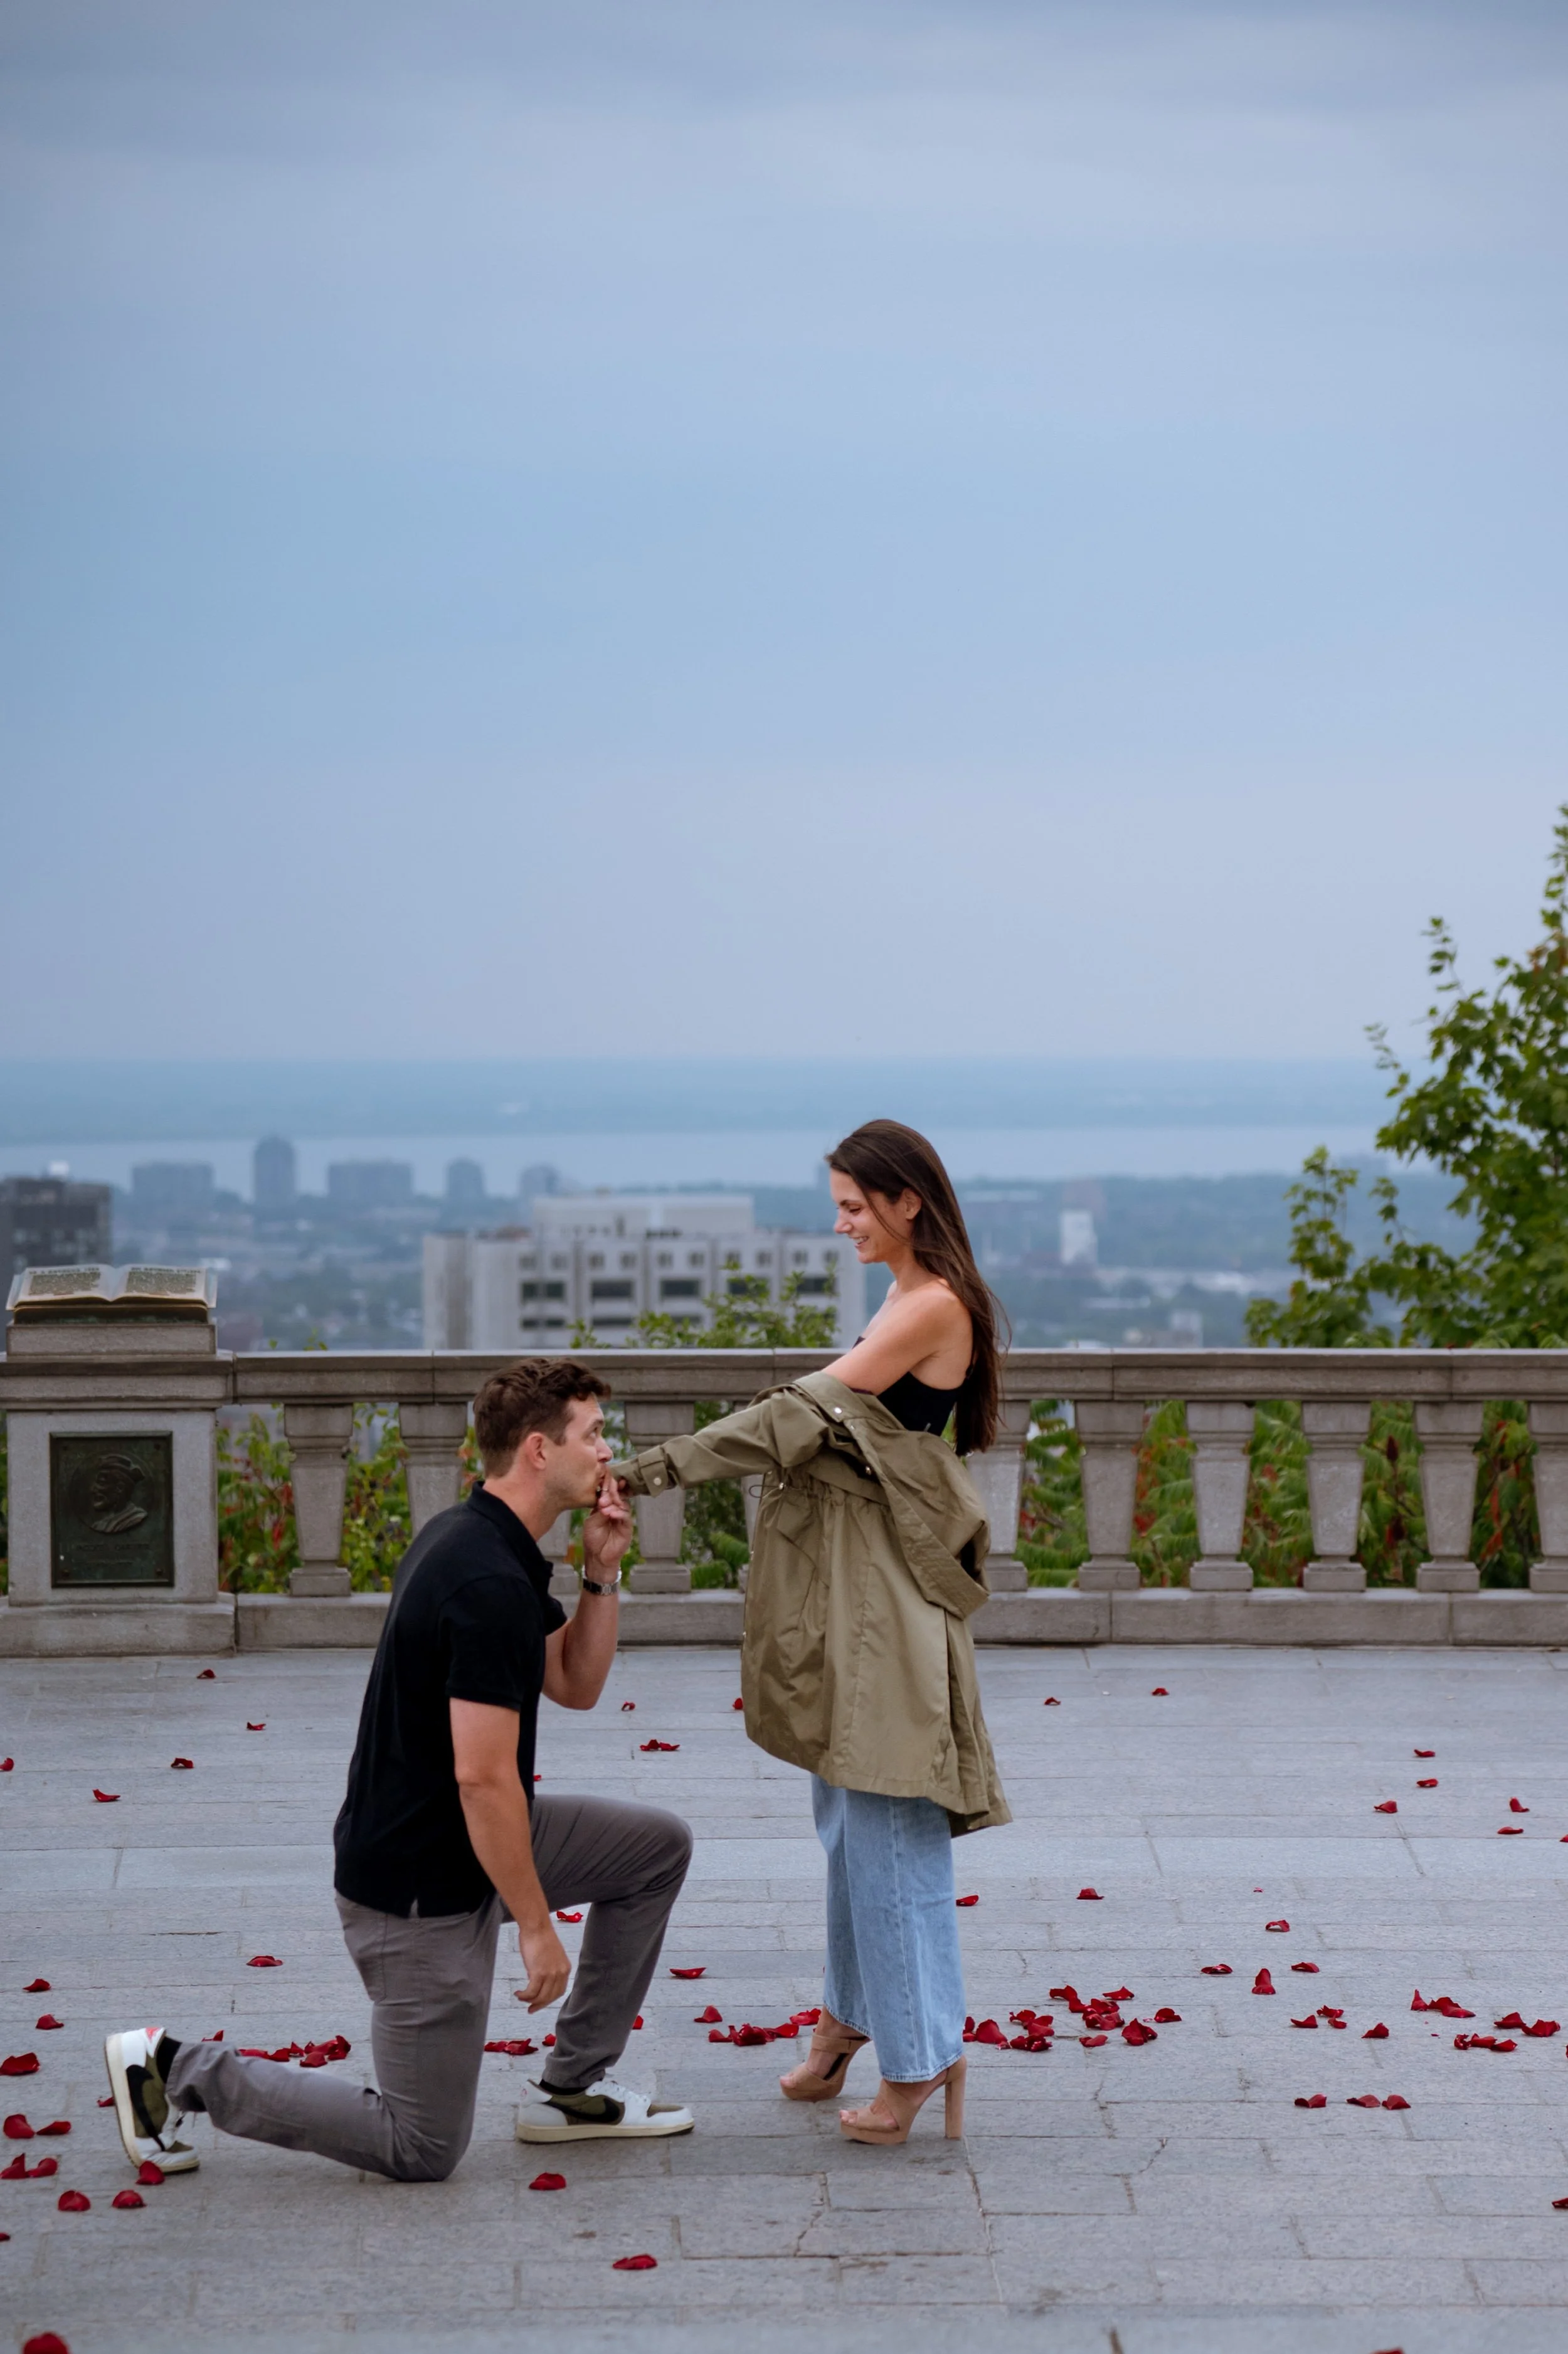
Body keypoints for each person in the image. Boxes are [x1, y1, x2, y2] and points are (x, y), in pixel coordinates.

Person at [104, 1359, 696, 2185]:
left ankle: (571, 2090)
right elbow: (482, 1779)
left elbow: (574, 1683)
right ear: (537, 1449)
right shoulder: (484, 1578)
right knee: (421, 2146)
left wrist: (600, 1572)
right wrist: (534, 1923)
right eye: (593, 1434)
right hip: (417, 1887)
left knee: (654, 1848)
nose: (608, 1452)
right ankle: (171, 2070)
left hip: (470, 1843)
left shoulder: (484, 1536)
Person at [615, 1118, 1009, 2148]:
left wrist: (651, 1468)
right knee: (850, 1820)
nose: (839, 1224)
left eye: (851, 1205)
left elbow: (800, 1415)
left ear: (905, 1202)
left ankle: (919, 2062)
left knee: (887, 1830)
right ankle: (850, 2021)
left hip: (885, 1601)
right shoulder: (905, 1296)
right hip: (859, 1589)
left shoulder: (932, 1306)